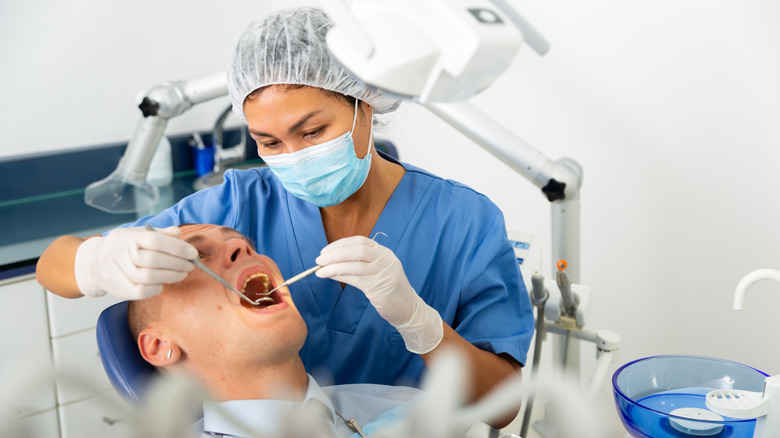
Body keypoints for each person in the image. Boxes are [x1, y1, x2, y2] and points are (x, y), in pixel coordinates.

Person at [36, 6, 533, 427]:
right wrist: (96, 262)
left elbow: (503, 407)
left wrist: (420, 324)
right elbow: (52, 266)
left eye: (312, 131)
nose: (293, 155)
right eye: (269, 142)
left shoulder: (464, 221)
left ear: (365, 105)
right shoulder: (239, 205)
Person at [128, 223, 425, 438]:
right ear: (158, 345)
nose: (240, 247)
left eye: (247, 245)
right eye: (197, 256)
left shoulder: (407, 406)